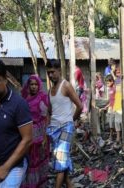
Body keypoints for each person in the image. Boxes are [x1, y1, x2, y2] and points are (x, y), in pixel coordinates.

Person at [0, 59, 33, 188]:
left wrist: (5, 167)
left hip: (13, 165)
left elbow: (28, 139)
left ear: (5, 79)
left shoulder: (18, 104)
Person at [46, 60, 83, 188]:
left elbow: (79, 106)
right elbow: (50, 112)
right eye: (48, 72)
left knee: (60, 162)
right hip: (54, 129)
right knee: (61, 158)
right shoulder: (50, 90)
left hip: (66, 127)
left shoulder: (65, 85)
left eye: (53, 72)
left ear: (59, 71)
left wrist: (71, 120)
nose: (50, 75)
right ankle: (69, 184)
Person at [20, 75, 50, 188]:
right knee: (28, 160)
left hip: (39, 134)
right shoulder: (24, 98)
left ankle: (38, 183)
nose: (33, 87)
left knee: (38, 159)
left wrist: (45, 137)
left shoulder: (42, 98)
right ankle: (28, 183)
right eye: (31, 84)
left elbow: (45, 118)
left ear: (39, 86)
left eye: (35, 84)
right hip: (26, 133)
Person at [103, 75, 118, 144]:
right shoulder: (110, 89)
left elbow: (116, 99)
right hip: (111, 107)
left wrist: (115, 107)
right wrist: (107, 106)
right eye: (106, 83)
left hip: (115, 108)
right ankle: (111, 136)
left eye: (108, 83)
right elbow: (111, 100)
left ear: (112, 81)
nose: (107, 84)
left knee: (113, 123)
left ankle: (113, 137)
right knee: (110, 122)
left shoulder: (115, 89)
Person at [112, 63, 122, 148]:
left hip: (122, 102)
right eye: (117, 72)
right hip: (117, 102)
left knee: (121, 121)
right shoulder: (116, 81)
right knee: (116, 122)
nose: (118, 73)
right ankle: (118, 137)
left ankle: (122, 137)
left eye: (119, 72)